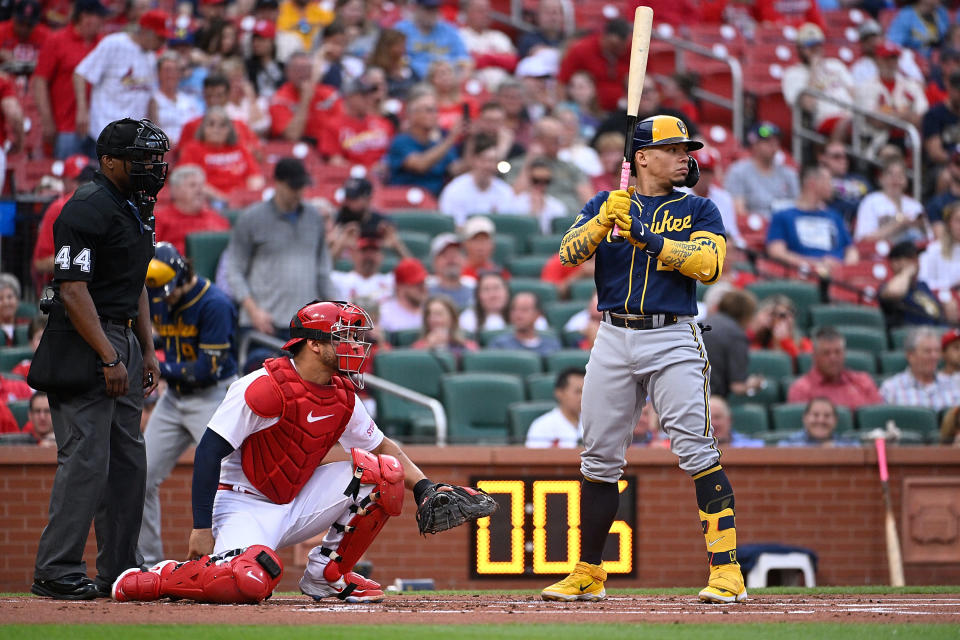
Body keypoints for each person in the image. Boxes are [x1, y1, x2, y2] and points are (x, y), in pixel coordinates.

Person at [111, 300, 492, 604]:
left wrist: (425, 486)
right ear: (313, 343)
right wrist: (201, 528)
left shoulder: (342, 392)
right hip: (243, 503)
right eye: (344, 337)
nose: (356, 346)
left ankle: (328, 576)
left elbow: (383, 447)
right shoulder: (262, 386)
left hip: (296, 498)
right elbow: (209, 451)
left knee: (385, 472)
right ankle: (155, 578)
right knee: (248, 583)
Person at [544, 114, 746, 604]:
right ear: (642, 157)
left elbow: (711, 265)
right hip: (613, 334)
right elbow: (567, 256)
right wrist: (601, 222)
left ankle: (727, 572)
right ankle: (589, 572)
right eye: (675, 149)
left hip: (672, 335)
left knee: (696, 450)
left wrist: (644, 236)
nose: (685, 157)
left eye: (685, 149)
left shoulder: (699, 208)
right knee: (597, 458)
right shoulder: (605, 203)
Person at [30, 118, 168, 600]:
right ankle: (57, 569)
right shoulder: (86, 206)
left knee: (129, 460)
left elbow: (136, 285)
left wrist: (146, 349)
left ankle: (121, 569)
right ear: (109, 160)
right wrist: (109, 356)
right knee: (87, 459)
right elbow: (71, 288)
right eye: (141, 158)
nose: (152, 166)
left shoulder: (136, 205)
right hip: (86, 340)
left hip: (124, 337)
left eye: (154, 157)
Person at [136, 242, 238, 566]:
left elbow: (205, 369)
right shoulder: (157, 294)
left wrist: (156, 367)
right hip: (174, 397)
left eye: (168, 291)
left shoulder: (215, 303)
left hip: (212, 395)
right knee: (141, 476)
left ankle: (226, 562)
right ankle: (150, 563)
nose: (163, 299)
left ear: (183, 275)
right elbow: (165, 339)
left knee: (229, 481)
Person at [225, 157, 336, 338]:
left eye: (301, 186)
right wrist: (253, 311)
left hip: (306, 322)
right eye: (293, 187)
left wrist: (338, 310)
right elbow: (234, 270)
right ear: (278, 183)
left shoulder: (314, 217)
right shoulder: (252, 218)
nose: (299, 192)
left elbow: (323, 271)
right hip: (264, 322)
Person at [73, 10, 170, 152]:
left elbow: (150, 98)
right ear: (146, 31)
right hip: (105, 133)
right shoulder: (114, 44)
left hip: (133, 142)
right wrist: (82, 109)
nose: (162, 43)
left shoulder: (151, 57)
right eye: (160, 38)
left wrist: (156, 131)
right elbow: (81, 74)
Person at [32, 0, 106, 159]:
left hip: (98, 125)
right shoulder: (56, 40)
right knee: (67, 176)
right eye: (99, 17)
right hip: (65, 125)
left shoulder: (103, 43)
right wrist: (47, 120)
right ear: (85, 17)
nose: (103, 22)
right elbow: (40, 81)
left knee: (100, 180)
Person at [765, 166, 858, 275]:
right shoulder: (783, 216)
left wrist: (843, 267)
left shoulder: (835, 216)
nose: (832, 186)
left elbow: (851, 250)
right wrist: (815, 264)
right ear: (812, 184)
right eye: (828, 181)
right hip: (802, 275)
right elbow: (776, 252)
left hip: (839, 276)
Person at [385, 85, 464, 197]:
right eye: (429, 110)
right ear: (412, 114)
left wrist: (473, 142)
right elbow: (420, 165)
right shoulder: (400, 142)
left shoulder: (439, 143)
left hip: (435, 204)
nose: (435, 115)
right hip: (406, 205)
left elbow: (457, 170)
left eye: (435, 110)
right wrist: (451, 138)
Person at [781, 23, 854, 141]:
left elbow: (853, 94)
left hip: (852, 115)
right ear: (800, 49)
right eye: (810, 46)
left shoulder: (835, 64)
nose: (816, 49)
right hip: (825, 119)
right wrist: (814, 68)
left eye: (818, 45)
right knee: (845, 124)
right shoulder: (793, 73)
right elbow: (808, 105)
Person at [177, 107, 265, 201]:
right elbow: (189, 182)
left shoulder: (240, 148)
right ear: (203, 128)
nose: (216, 129)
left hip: (240, 201)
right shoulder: (192, 149)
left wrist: (246, 196)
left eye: (222, 125)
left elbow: (255, 177)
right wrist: (222, 199)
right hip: (207, 201)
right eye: (211, 124)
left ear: (229, 129)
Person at [787, 327, 884, 409]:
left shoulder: (863, 382)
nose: (833, 358)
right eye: (826, 353)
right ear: (814, 356)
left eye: (838, 352)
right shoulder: (801, 389)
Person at [724, 122, 799, 217]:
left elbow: (797, 208)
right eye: (767, 141)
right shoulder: (739, 171)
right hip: (754, 227)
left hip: (783, 226)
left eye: (776, 142)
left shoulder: (789, 174)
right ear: (755, 144)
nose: (773, 146)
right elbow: (739, 211)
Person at [152, 165, 230, 255]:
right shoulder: (160, 218)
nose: (200, 190)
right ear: (175, 190)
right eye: (192, 185)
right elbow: (151, 252)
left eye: (202, 185)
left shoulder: (216, 218)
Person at [556, 18, 630, 114]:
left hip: (624, 111)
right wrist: (564, 110)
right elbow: (561, 83)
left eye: (623, 45)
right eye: (614, 45)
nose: (620, 49)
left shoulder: (630, 50)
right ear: (605, 37)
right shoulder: (582, 50)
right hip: (589, 112)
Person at [438, 135, 515, 225]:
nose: (488, 166)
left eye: (493, 161)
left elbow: (507, 225)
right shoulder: (455, 189)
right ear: (474, 160)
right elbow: (452, 225)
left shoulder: (505, 191)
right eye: (484, 160)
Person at [318, 76, 393, 167]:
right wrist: (365, 172)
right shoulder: (333, 126)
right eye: (364, 95)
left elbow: (394, 154)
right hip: (354, 178)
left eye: (370, 94)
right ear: (349, 96)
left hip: (386, 178)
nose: (369, 98)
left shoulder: (384, 123)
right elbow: (335, 161)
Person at [880, 327, 960, 411]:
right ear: (910, 355)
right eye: (927, 351)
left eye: (937, 351)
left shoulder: (955, 385)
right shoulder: (891, 389)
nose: (934, 356)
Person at [268, 52, 339, 144]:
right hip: (300, 148)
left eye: (308, 69)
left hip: (329, 144)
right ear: (288, 72)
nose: (304, 73)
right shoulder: (279, 99)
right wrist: (305, 100)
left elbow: (343, 125)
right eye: (298, 69)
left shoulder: (329, 94)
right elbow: (292, 136)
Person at [701, 289, 760, 398]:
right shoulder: (737, 335)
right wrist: (755, 383)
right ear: (746, 314)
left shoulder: (704, 323)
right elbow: (738, 386)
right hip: (710, 398)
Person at [853, 159, 927, 245]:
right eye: (890, 174)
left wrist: (919, 226)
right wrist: (898, 224)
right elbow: (863, 239)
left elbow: (928, 238)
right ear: (881, 178)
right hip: (881, 254)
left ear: (906, 180)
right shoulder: (871, 201)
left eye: (900, 175)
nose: (895, 180)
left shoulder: (915, 206)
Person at [393, 0, 471, 81]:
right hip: (413, 81)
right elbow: (393, 62)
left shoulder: (449, 30)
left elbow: (466, 63)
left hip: (446, 81)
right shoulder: (401, 30)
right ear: (416, 8)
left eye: (435, 9)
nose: (431, 13)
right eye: (427, 9)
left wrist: (457, 81)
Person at [880, 240, 951, 327]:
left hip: (937, 333)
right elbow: (894, 292)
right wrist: (907, 272)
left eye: (917, 257)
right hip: (911, 335)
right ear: (895, 263)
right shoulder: (886, 286)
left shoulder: (923, 286)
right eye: (910, 258)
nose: (916, 262)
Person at [685, 148, 743, 249]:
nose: (702, 176)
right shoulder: (678, 195)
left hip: (717, 249)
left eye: (707, 171)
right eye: (700, 170)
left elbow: (732, 234)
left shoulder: (724, 198)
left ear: (713, 174)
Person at [147, 53, 202, 148]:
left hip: (188, 148)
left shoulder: (189, 100)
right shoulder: (152, 99)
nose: (171, 74)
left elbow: (198, 127)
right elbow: (153, 131)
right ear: (158, 73)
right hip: (163, 150)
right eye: (167, 70)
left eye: (175, 70)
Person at [488, 291, 561, 357]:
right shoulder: (500, 345)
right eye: (514, 309)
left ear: (538, 314)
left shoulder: (552, 346)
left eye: (524, 310)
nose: (518, 315)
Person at [525, 367, 584, 448]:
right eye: (578, 392)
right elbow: (533, 458)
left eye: (585, 392)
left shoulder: (595, 424)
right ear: (559, 393)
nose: (582, 397)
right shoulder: (542, 426)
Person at [817, 141, 871, 227]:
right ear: (822, 158)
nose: (843, 161)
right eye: (836, 157)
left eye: (845, 157)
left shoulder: (859, 179)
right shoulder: (816, 179)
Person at [331, 235, 394, 306]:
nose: (369, 255)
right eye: (364, 250)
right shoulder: (338, 279)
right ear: (352, 254)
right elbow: (321, 272)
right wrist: (341, 244)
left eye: (374, 251)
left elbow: (409, 271)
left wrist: (397, 246)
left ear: (382, 256)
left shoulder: (390, 280)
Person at [512, 157, 568, 234]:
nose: (540, 185)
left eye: (546, 181)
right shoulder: (516, 203)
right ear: (529, 179)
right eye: (536, 180)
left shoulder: (557, 206)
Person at [748, 295, 812, 363]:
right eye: (773, 314)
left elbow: (798, 366)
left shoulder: (803, 343)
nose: (779, 319)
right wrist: (757, 326)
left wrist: (784, 341)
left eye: (784, 315)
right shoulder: (758, 342)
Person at [410, 295, 478, 359]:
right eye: (429, 314)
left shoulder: (468, 346)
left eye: (438, 314)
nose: (432, 319)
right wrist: (428, 345)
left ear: (452, 318)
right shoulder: (418, 347)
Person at [778, 398, 859, 447]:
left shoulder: (849, 445)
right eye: (815, 415)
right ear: (805, 418)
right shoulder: (788, 444)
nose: (821, 420)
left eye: (827, 416)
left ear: (835, 420)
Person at [378, 257, 429, 333]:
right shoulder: (384, 314)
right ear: (400, 286)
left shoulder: (431, 312)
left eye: (423, 282)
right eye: (416, 284)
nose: (422, 288)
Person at [919, 201, 960, 293]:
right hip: (942, 300)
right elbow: (924, 282)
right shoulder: (934, 249)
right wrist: (952, 285)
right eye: (958, 220)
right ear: (949, 223)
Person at [426, 233, 472, 311]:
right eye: (445, 255)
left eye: (455, 254)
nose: (451, 260)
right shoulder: (425, 291)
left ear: (464, 260)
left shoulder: (474, 288)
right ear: (434, 262)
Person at [459, 216, 509, 284]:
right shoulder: (457, 273)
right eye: (476, 240)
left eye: (485, 240)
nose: (480, 246)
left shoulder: (500, 274)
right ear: (465, 244)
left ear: (492, 245)